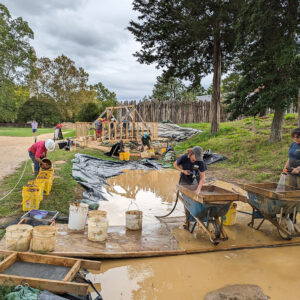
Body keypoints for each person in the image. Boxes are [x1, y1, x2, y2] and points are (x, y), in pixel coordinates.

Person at [174, 146, 207, 229]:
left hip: (195, 180)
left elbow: (203, 176)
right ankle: (187, 219)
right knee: (187, 201)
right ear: (191, 154)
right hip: (184, 180)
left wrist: (199, 189)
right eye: (195, 157)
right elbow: (175, 164)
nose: (196, 160)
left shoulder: (200, 161)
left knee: (198, 199)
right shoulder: (184, 158)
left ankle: (199, 217)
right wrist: (182, 171)